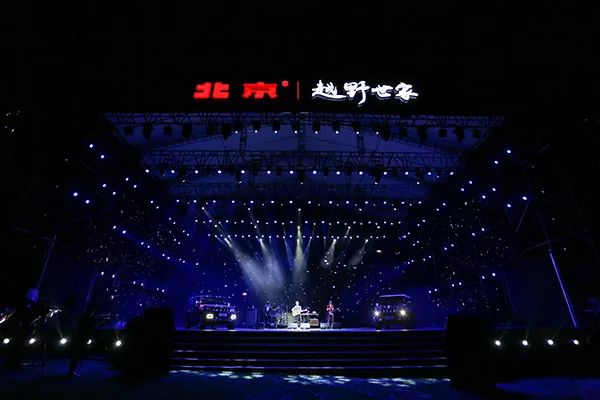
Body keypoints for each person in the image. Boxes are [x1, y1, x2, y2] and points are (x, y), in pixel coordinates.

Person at [68, 303, 98, 377]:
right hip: (82, 339)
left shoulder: (85, 318)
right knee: (79, 356)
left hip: (81, 338)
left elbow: (81, 328)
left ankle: (74, 371)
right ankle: (74, 371)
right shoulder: (88, 319)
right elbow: (89, 329)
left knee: (78, 356)